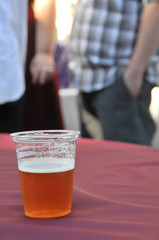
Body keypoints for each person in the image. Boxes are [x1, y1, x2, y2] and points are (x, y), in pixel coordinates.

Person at [68, 0, 159, 145]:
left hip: (118, 76)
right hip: (88, 78)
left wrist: (134, 72)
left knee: (129, 160)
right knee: (97, 160)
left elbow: (155, 7)